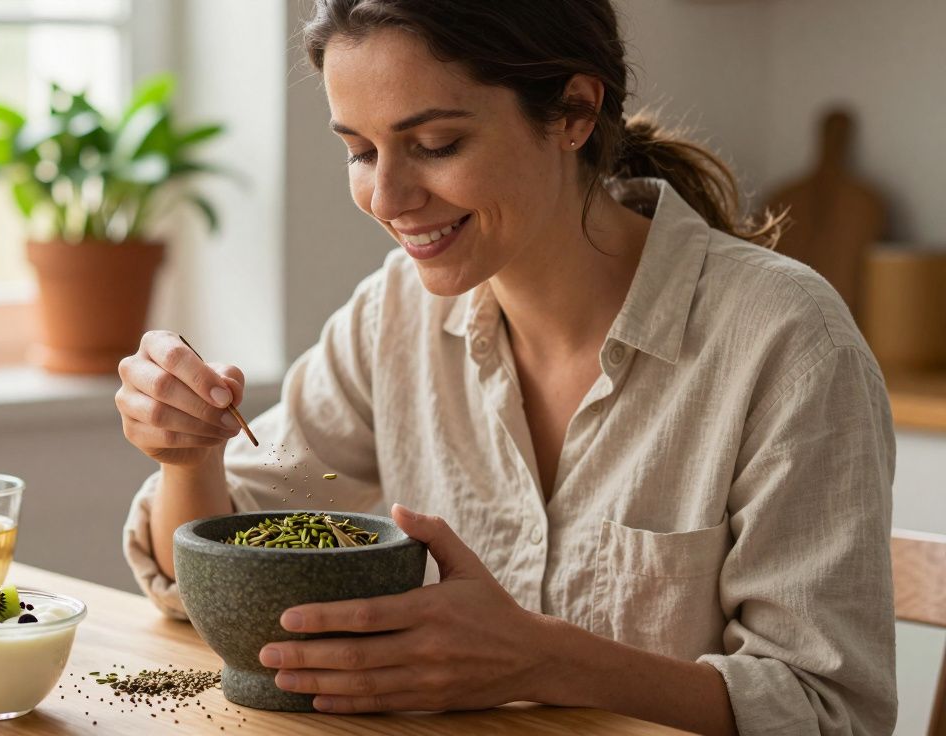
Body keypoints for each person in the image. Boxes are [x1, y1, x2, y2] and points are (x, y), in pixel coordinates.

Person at [114, 2, 897, 734]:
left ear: (574, 113)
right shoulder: (393, 316)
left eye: (435, 145)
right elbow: (221, 563)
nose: (386, 196)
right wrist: (189, 455)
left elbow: (830, 709)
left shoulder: (787, 338)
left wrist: (543, 658)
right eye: (358, 150)